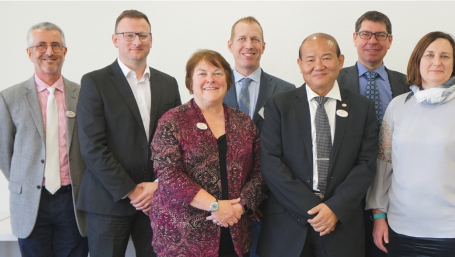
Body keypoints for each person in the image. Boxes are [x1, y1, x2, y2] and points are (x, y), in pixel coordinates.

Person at [366, 31, 455, 257]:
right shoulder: (397, 107)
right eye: (429, 55)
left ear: (454, 64)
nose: (436, 62)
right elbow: (383, 166)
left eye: (445, 56)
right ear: (417, 61)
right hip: (401, 231)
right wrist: (378, 216)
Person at [258, 33, 378, 257]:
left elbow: (367, 164)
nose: (318, 66)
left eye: (326, 58)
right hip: (287, 227)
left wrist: (334, 209)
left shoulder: (362, 108)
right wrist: (314, 210)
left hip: (342, 225)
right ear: (300, 64)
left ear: (340, 61)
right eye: (310, 59)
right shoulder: (278, 105)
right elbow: (271, 162)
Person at [76, 10, 181, 257]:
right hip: (108, 202)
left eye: (143, 35)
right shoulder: (95, 82)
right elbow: (92, 147)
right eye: (129, 35)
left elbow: (176, 143)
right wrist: (132, 191)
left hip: (156, 201)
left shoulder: (168, 83)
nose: (137, 41)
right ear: (116, 40)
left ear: (151, 39)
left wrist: (156, 186)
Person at [150, 49, 265, 257]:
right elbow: (169, 174)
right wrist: (214, 206)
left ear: (227, 80)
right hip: (183, 236)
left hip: (235, 230)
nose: (210, 79)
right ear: (190, 81)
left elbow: (259, 172)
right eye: (202, 73)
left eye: (217, 73)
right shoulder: (173, 121)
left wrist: (239, 207)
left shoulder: (243, 123)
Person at [0, 22, 88, 257]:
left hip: (73, 200)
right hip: (30, 202)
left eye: (56, 45)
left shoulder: (84, 95)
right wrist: (27, 178)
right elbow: (4, 153)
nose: (49, 51)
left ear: (65, 51)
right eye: (41, 45)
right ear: (29, 53)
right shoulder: (9, 98)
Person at [336, 11, 408, 257]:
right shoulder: (334, 80)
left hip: (393, 185)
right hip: (346, 183)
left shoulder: (407, 84)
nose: (372, 41)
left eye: (380, 35)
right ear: (355, 38)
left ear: (390, 40)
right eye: (366, 34)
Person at [222, 17, 295, 257]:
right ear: (230, 45)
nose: (248, 45)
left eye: (255, 39)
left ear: (264, 46)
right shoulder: (212, 89)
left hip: (271, 203)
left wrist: (258, 197)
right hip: (226, 205)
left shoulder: (286, 91)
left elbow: (290, 151)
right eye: (241, 39)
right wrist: (238, 201)